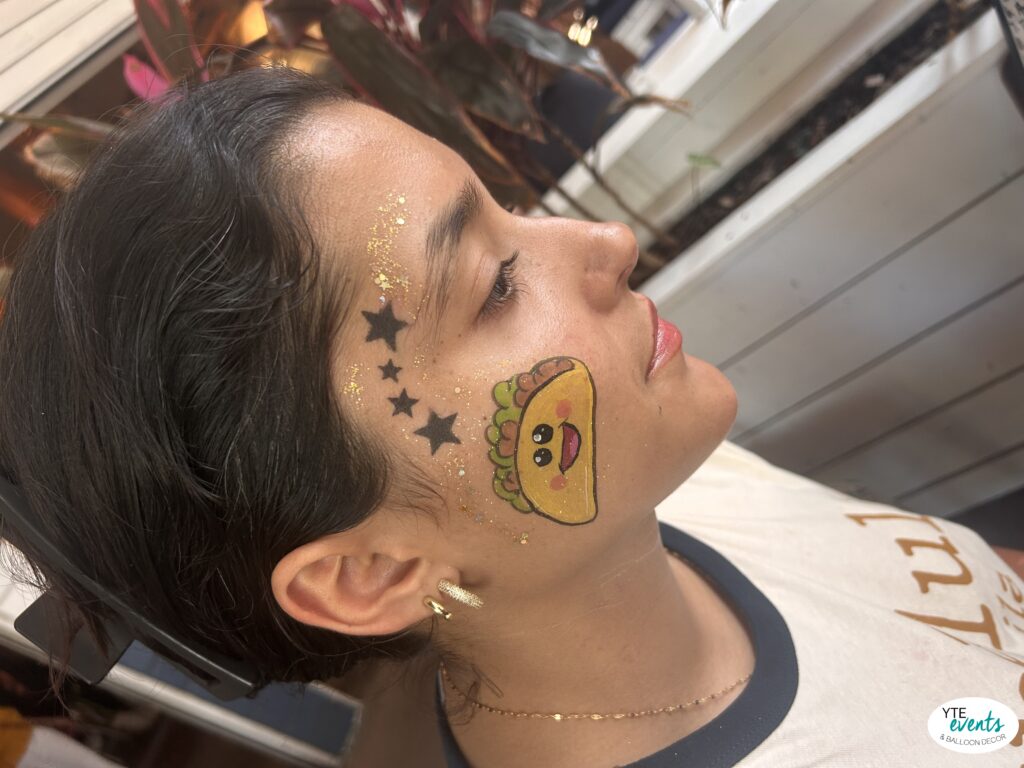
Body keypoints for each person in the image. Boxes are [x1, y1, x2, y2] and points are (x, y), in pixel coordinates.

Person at [0, 65, 1020, 768]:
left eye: (504, 203)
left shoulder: (655, 482)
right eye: (493, 285)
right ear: (374, 574)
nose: (607, 239)